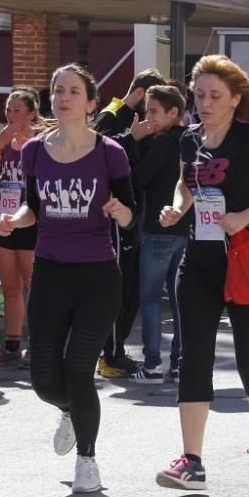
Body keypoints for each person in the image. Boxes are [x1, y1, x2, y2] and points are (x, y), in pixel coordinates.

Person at [154, 54, 249, 491]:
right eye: (199, 95)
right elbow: (187, 184)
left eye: (216, 95)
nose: (206, 102)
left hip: (248, 259)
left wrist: (247, 214)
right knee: (192, 358)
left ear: (236, 99)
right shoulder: (189, 140)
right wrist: (176, 209)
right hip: (200, 260)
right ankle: (192, 461)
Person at [0, 63, 136, 493]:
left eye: (74, 90)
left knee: (78, 369)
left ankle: (88, 462)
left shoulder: (110, 151)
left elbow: (132, 216)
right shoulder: (34, 150)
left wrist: (119, 210)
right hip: (51, 271)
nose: (64, 97)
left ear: (91, 103)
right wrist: (14, 220)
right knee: (43, 378)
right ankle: (70, 411)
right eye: (58, 90)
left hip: (97, 274)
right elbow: (32, 206)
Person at [93, 68, 167, 378]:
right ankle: (109, 355)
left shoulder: (129, 119)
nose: (149, 114)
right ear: (138, 94)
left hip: (133, 216)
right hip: (114, 217)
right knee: (119, 291)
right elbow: (96, 153)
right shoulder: (111, 117)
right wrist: (131, 137)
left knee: (132, 291)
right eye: (148, 105)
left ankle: (116, 350)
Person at [0, 88, 44, 366]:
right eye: (8, 109)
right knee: (10, 287)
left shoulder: (41, 142)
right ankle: (12, 344)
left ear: (31, 113)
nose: (11, 115)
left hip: (30, 220)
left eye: (17, 110)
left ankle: (38, 346)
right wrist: (0, 143)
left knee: (33, 286)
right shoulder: (3, 141)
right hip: (5, 218)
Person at [130, 85, 188, 384]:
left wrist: (136, 141)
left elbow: (138, 177)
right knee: (180, 301)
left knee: (151, 298)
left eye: (153, 111)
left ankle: (152, 363)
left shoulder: (164, 142)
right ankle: (179, 364)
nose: (147, 117)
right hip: (186, 229)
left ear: (173, 112)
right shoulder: (192, 140)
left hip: (158, 229)